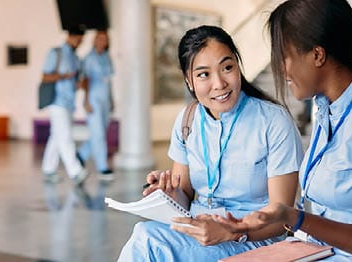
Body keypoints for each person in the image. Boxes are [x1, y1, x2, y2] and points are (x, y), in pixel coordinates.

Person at [215, 0, 352, 261]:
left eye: (283, 57)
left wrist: (296, 218)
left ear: (317, 55)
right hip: (318, 250)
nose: (281, 70)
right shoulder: (326, 108)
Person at [117, 25, 304, 261]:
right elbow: (184, 195)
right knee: (144, 235)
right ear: (189, 80)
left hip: (255, 240)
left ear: (238, 65)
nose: (219, 84)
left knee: (147, 241)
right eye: (204, 74)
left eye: (227, 67)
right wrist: (168, 194)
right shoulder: (187, 120)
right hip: (198, 232)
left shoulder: (274, 121)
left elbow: (283, 219)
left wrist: (232, 231)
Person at [41, 26, 89, 186]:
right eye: (78, 39)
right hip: (57, 102)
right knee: (66, 136)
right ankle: (76, 172)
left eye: (82, 41)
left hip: (69, 103)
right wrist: (64, 76)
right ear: (70, 36)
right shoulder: (56, 53)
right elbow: (45, 76)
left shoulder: (75, 58)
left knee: (56, 136)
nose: (79, 43)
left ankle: (48, 170)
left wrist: (78, 83)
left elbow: (76, 82)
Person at [77, 30, 115, 181]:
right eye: (99, 38)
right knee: (98, 133)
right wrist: (86, 101)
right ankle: (102, 167)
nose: (101, 41)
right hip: (92, 99)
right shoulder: (89, 58)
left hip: (105, 100)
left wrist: (112, 100)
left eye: (104, 39)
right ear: (94, 40)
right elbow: (85, 80)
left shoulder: (107, 57)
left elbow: (109, 81)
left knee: (99, 132)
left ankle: (80, 155)